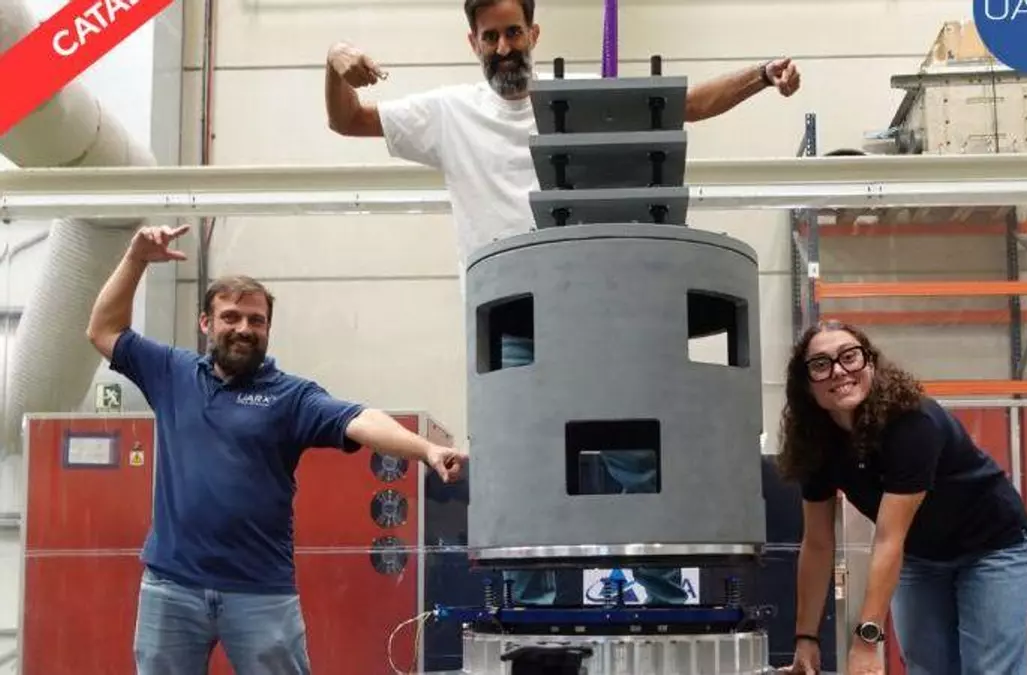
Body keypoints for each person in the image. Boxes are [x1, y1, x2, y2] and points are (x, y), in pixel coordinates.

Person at [324, 0, 801, 607]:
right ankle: (531, 609)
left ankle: (663, 599)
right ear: (473, 43)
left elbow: (685, 105)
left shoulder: (576, 99)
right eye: (490, 37)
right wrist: (335, 64)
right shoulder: (449, 113)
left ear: (534, 33)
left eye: (513, 33)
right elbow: (348, 120)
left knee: (636, 455)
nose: (504, 48)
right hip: (511, 320)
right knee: (524, 467)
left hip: (599, 314)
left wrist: (761, 74)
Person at [86, 224, 468, 675]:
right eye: (231, 317)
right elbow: (103, 330)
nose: (244, 329)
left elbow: (360, 418)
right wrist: (135, 259)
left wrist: (425, 450)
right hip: (172, 587)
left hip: (259, 592)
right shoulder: (171, 373)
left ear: (268, 328)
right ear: (206, 323)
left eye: (256, 320)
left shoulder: (290, 396)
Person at [776, 320, 1027, 675]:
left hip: (992, 546)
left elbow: (889, 538)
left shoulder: (913, 422)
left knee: (989, 669)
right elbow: (818, 543)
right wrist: (806, 638)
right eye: (821, 364)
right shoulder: (817, 444)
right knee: (927, 668)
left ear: (870, 363)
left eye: (850, 357)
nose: (838, 371)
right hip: (921, 556)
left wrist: (866, 641)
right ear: (806, 383)